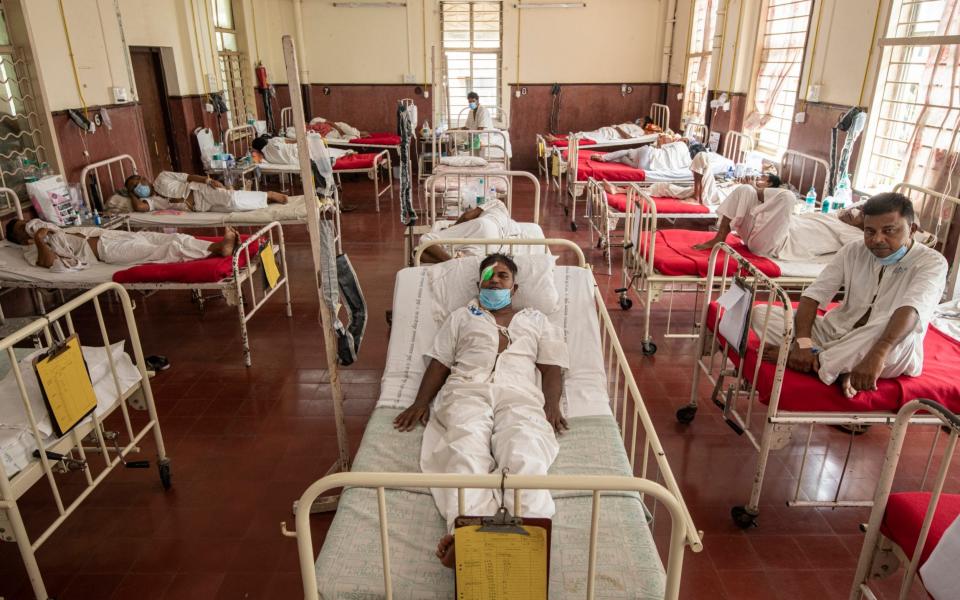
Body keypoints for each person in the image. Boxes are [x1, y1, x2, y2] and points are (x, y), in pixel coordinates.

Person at [393, 253, 568, 567]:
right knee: (464, 446)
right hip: (466, 389)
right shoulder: (462, 316)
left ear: (514, 288)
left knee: (524, 448)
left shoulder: (536, 320)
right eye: (489, 275)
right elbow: (440, 362)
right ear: (478, 283)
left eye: (503, 276)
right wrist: (420, 402)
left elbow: (552, 366)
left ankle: (531, 528)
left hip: (519, 394)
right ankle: (469, 532)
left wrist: (552, 405)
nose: (495, 280)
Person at [750, 192, 947, 398]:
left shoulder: (932, 263)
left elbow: (911, 312)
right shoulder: (854, 250)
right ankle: (834, 365)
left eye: (889, 230)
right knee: (762, 315)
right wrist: (803, 343)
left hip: (888, 347)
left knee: (889, 322)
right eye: (870, 231)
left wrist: (878, 355)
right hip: (837, 332)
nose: (877, 239)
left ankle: (816, 362)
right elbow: (813, 296)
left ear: (912, 230)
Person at [691, 174, 865, 262]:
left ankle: (757, 195)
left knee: (788, 197)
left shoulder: (854, 234)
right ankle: (719, 237)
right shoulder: (835, 214)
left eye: (860, 213)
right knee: (746, 190)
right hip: (759, 233)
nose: (853, 211)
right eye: (855, 208)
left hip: (776, 245)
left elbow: (861, 250)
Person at [5, 218, 239, 273]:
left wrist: (45, 229)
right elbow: (49, 263)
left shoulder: (46, 229)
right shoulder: (31, 249)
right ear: (20, 240)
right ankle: (218, 249)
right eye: (22, 228)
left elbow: (61, 231)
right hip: (106, 252)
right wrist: (37, 239)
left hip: (109, 236)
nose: (28, 225)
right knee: (168, 248)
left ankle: (215, 246)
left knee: (169, 237)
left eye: (26, 222)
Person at [114, 171, 287, 214]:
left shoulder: (162, 177)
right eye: (135, 188)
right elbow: (139, 209)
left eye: (139, 183)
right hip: (199, 207)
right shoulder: (151, 201)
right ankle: (264, 200)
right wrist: (131, 193)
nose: (139, 188)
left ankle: (268, 195)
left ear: (144, 179)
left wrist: (208, 180)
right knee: (234, 209)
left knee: (232, 199)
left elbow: (188, 177)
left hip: (200, 191)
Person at [418, 197, 528, 263]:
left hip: (486, 226)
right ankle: (455, 260)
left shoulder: (497, 203)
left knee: (426, 240)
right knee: (423, 254)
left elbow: (467, 216)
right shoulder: (510, 224)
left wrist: (454, 226)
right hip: (496, 247)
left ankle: (450, 261)